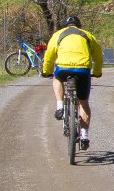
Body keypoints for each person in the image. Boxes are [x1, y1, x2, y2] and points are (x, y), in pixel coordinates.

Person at [41, 14, 103, 150]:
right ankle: (85, 136)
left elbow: (49, 55)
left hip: (63, 68)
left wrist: (46, 71)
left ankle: (59, 106)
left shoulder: (58, 35)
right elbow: (98, 56)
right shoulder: (87, 35)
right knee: (84, 103)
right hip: (83, 70)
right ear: (79, 25)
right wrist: (97, 72)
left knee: (56, 78)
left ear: (64, 26)